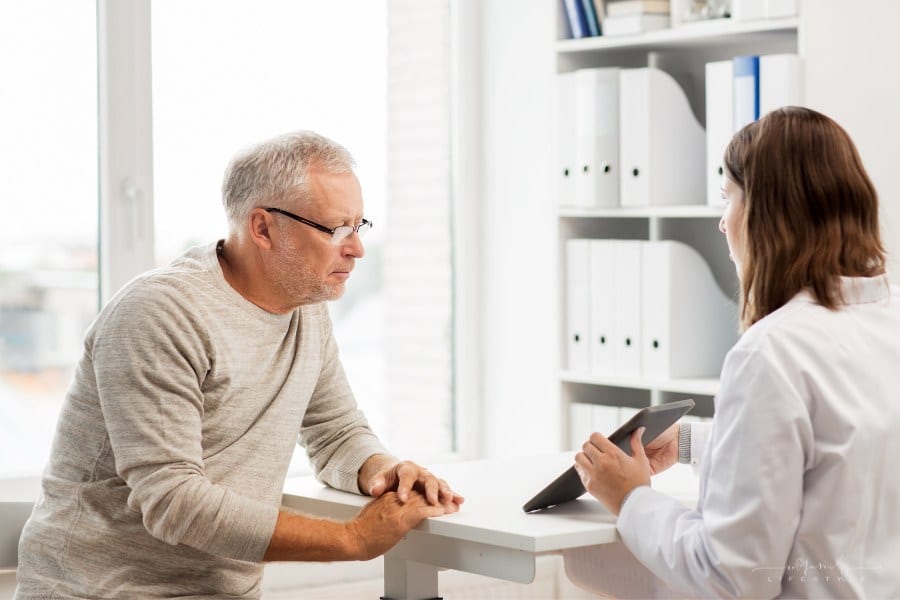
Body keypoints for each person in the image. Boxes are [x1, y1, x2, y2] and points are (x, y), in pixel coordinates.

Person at [15, 131, 464, 599]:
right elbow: (173, 501)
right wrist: (353, 539)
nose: (356, 248)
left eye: (359, 225)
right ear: (263, 228)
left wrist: (382, 470)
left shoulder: (306, 308)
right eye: (336, 228)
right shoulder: (159, 314)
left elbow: (335, 432)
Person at [571, 107, 900, 598]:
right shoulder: (885, 321)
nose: (723, 224)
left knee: (585, 566)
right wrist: (694, 444)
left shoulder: (771, 353)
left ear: (768, 214)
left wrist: (631, 498)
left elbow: (732, 574)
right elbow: (841, 452)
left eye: (728, 198)